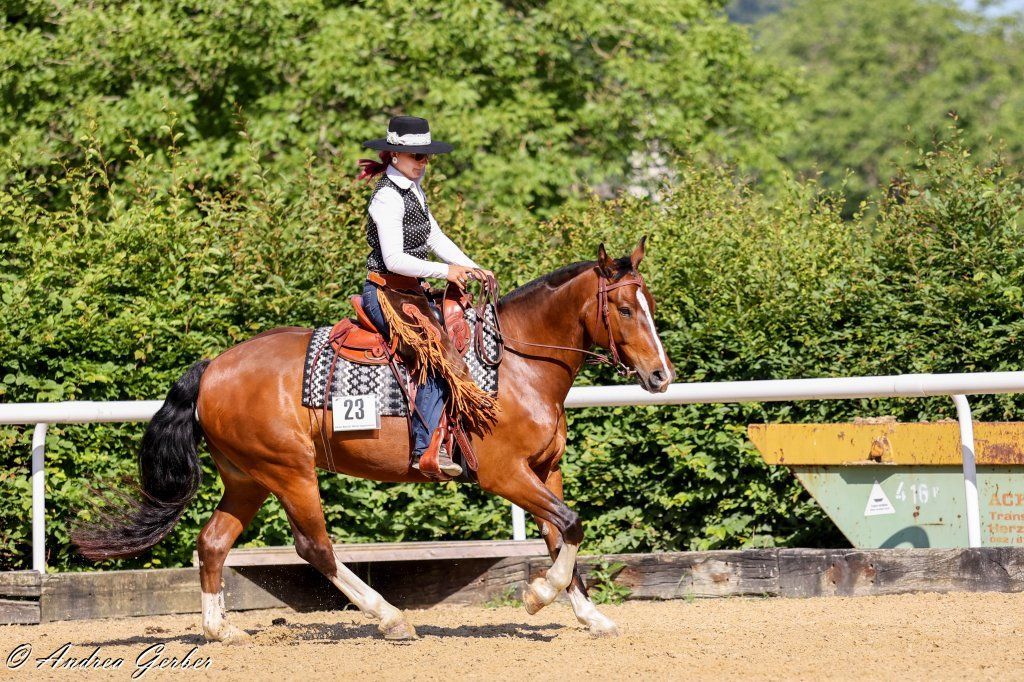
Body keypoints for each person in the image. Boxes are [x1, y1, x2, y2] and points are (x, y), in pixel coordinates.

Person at [357, 115, 496, 477]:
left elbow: (434, 239)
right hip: (384, 291)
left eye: (425, 157)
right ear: (395, 156)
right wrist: (446, 271)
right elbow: (394, 260)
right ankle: (423, 451)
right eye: (416, 156)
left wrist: (474, 266)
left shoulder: (413, 191)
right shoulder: (386, 198)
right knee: (434, 357)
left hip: (410, 293)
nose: (422, 163)